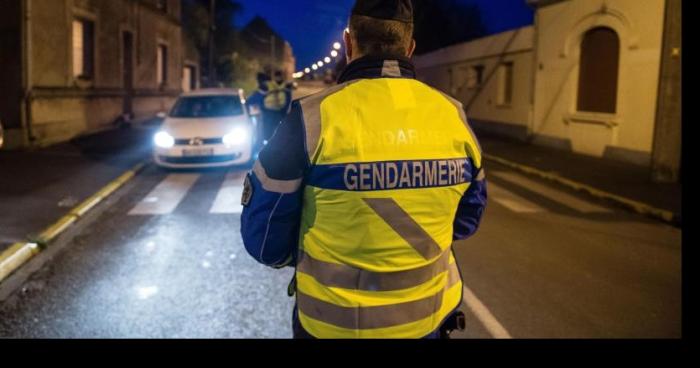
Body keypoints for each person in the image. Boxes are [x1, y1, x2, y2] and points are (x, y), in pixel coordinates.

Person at [240, 0, 487, 339]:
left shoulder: (310, 119)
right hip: (426, 323)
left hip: (331, 327)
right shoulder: (453, 115)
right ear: (411, 48)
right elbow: (467, 221)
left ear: (348, 43)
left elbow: (264, 240)